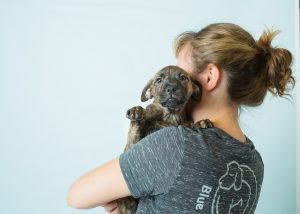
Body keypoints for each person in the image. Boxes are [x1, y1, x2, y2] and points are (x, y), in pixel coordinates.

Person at [66, 23, 295, 213]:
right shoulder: (253, 163)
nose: (171, 87)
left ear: (209, 77)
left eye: (182, 74)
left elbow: (76, 196)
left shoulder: (178, 144)